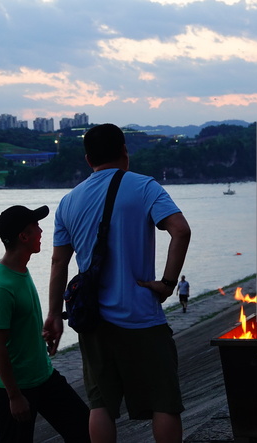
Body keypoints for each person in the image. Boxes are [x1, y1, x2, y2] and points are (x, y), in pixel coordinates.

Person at [43, 123, 191, 443]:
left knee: (101, 405)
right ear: (125, 151)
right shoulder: (144, 186)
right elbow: (180, 230)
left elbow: (59, 262)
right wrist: (166, 283)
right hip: (142, 316)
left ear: (87, 159)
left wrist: (54, 315)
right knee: (164, 403)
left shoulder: (69, 202)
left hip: (93, 320)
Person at [0, 205, 90, 443]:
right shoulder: (0, 286)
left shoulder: (20, 269)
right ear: (23, 236)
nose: (41, 231)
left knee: (85, 432)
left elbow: (18, 324)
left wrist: (40, 330)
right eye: (36, 227)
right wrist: (14, 396)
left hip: (43, 375)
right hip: (15, 387)